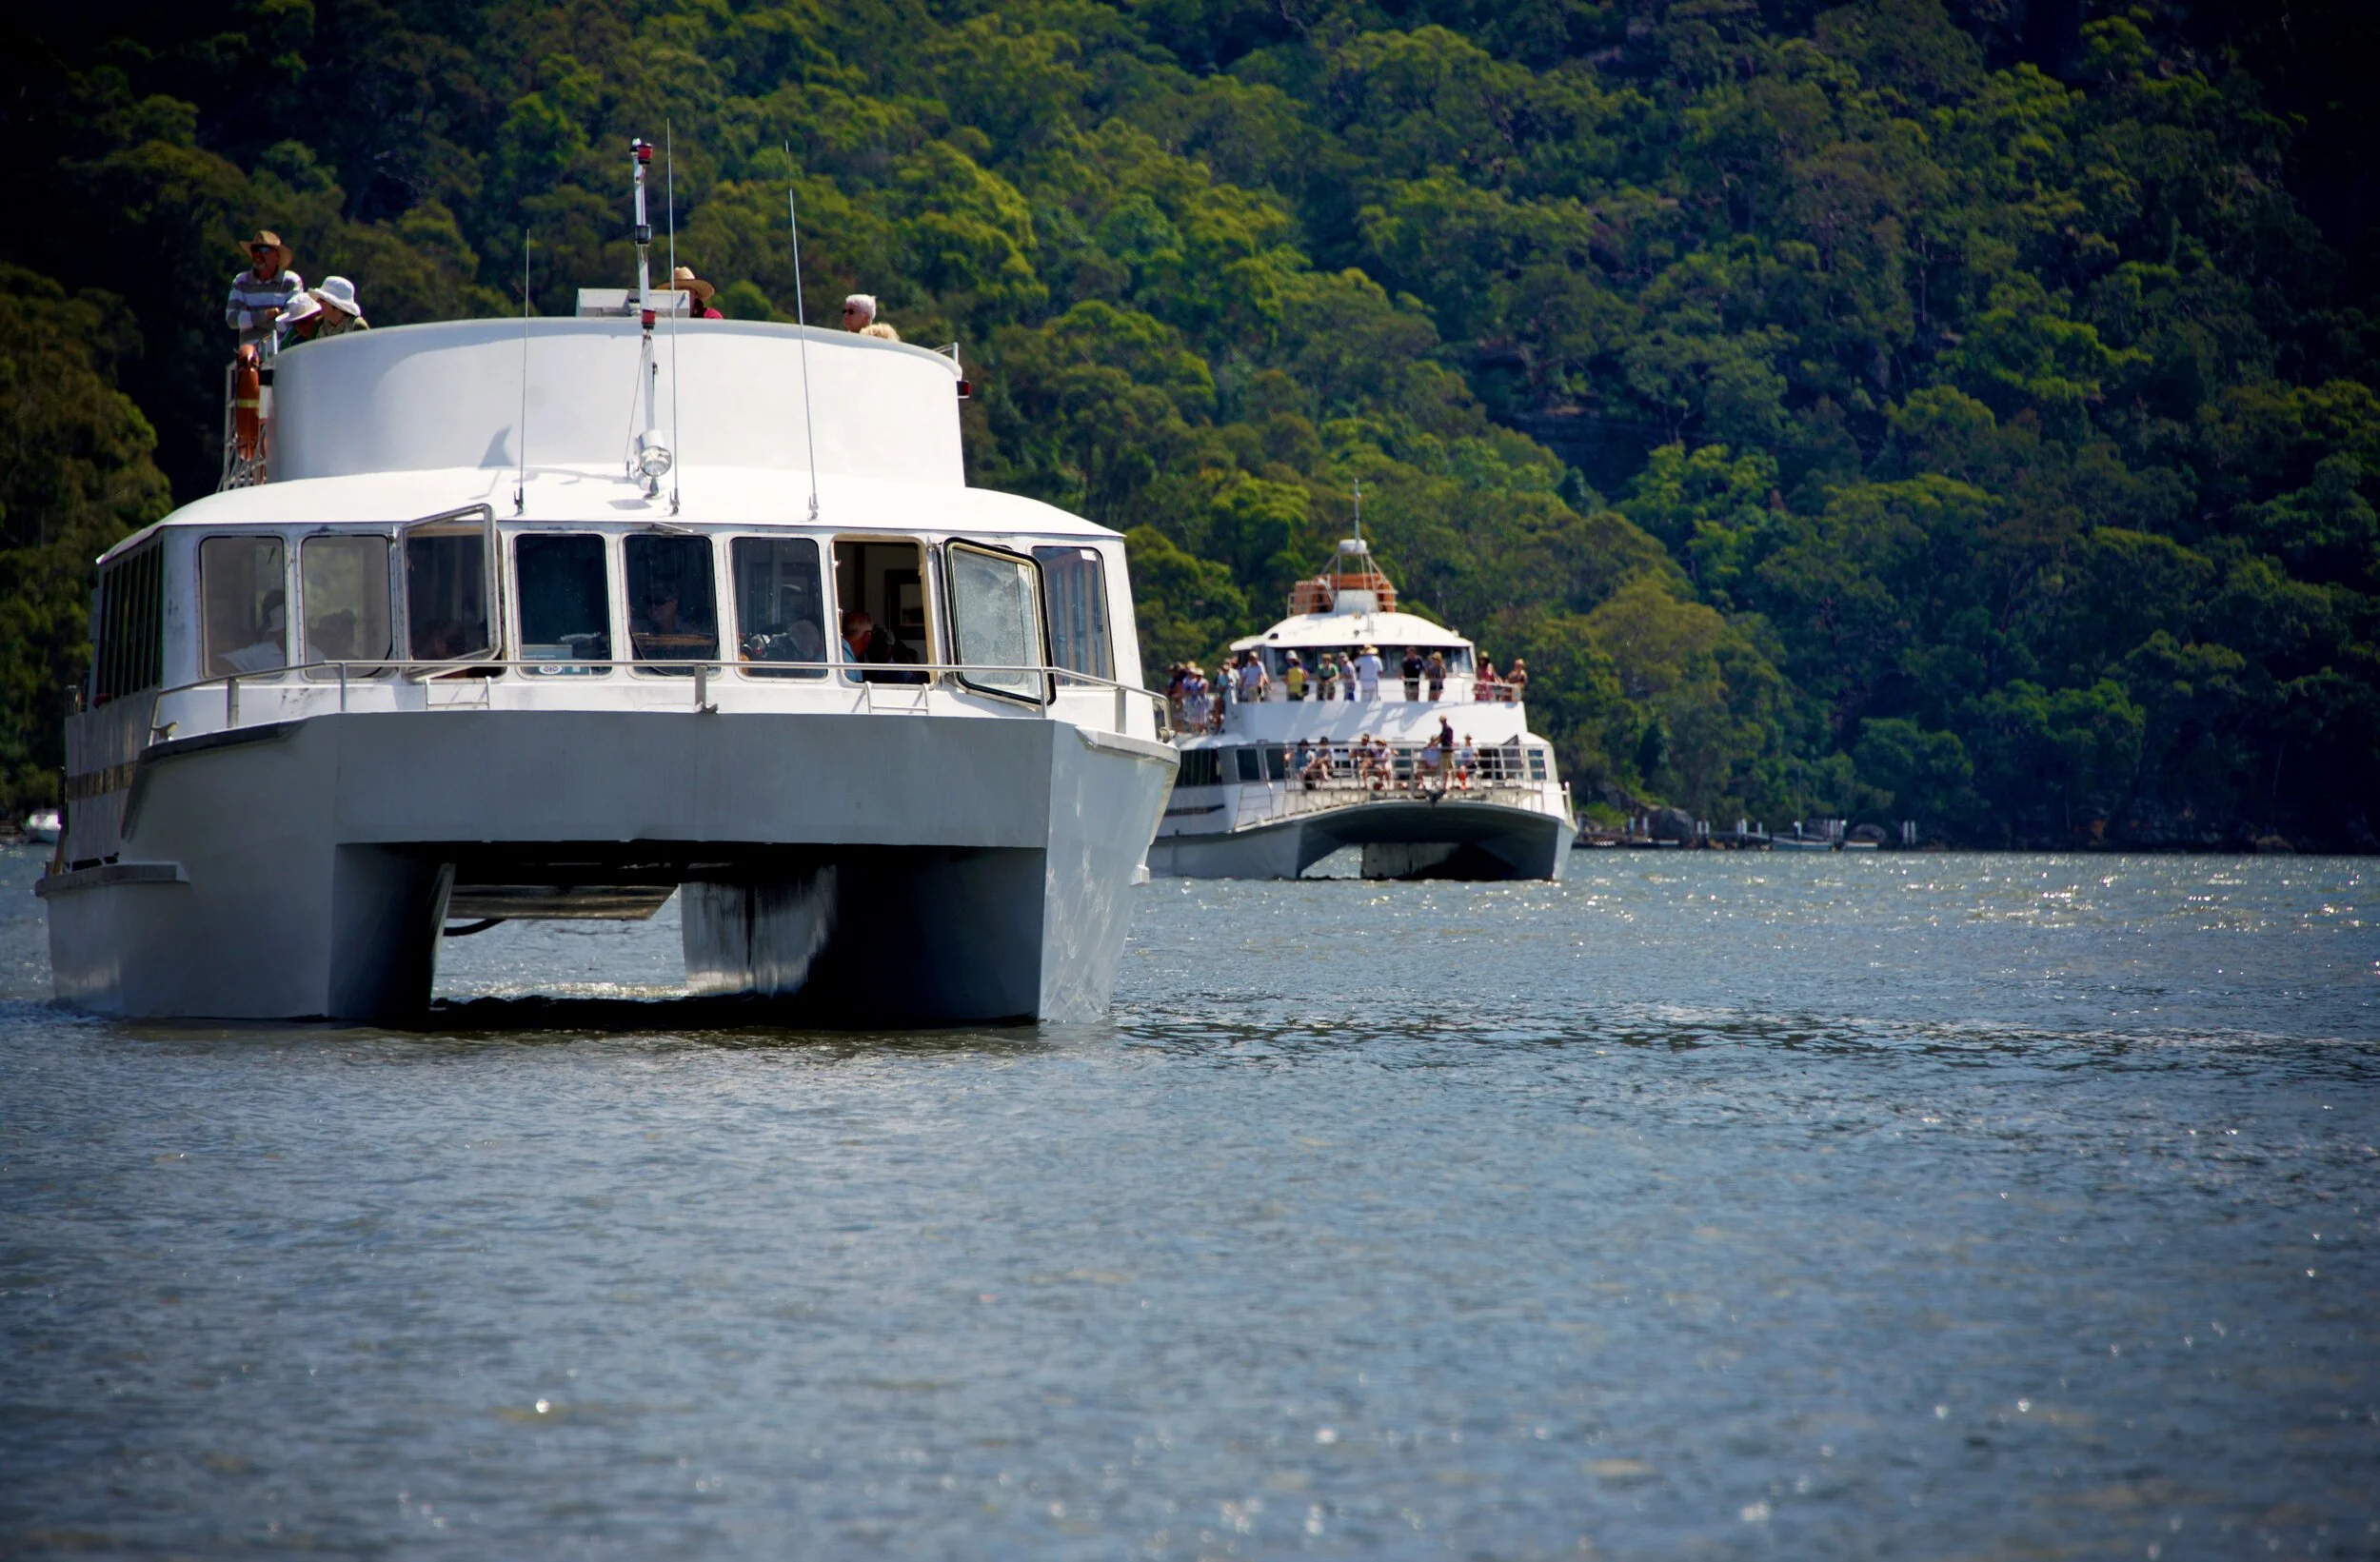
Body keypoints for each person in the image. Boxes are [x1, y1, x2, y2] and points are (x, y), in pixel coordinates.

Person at [227, 230, 304, 348]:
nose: (258, 255)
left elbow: (291, 323)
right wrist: (269, 314)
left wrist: (250, 319)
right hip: (251, 359)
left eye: (263, 250)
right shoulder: (240, 282)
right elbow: (232, 320)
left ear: (276, 255)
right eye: (254, 250)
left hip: (283, 353)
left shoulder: (291, 281)